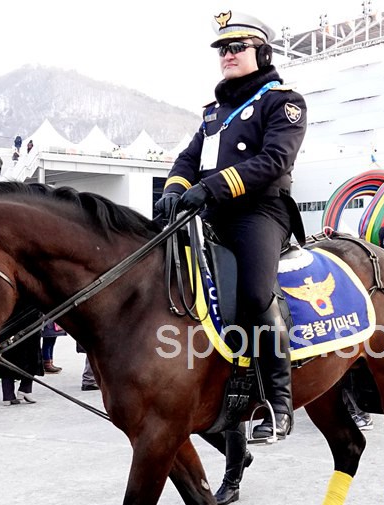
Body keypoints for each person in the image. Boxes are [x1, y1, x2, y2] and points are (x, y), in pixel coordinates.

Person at [154, 11, 307, 441]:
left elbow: (275, 160)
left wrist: (213, 188)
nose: (228, 55)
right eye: (223, 49)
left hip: (259, 212)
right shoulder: (214, 112)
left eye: (237, 47)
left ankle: (279, 403)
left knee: (257, 292)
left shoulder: (283, 101)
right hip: (212, 212)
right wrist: (174, 190)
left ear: (262, 52)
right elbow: (189, 158)